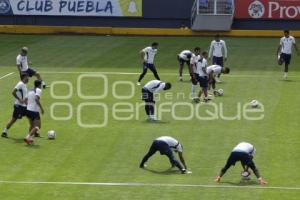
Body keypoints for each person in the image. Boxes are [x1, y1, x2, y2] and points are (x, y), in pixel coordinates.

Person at [2, 73, 29, 138]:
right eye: (27, 77)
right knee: (14, 119)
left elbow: (24, 96)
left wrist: (27, 103)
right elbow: (13, 92)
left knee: (32, 117)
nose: (28, 78)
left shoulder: (24, 85)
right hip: (19, 106)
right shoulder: (20, 84)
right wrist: (19, 99)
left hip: (24, 106)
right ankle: (4, 132)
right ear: (24, 77)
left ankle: (33, 133)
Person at [24, 80, 44, 145]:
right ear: (39, 85)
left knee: (32, 125)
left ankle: (30, 139)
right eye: (40, 84)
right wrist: (41, 108)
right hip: (34, 111)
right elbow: (36, 99)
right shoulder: (38, 90)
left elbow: (25, 100)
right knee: (38, 126)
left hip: (28, 110)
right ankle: (28, 137)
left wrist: (28, 106)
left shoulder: (30, 90)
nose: (41, 86)